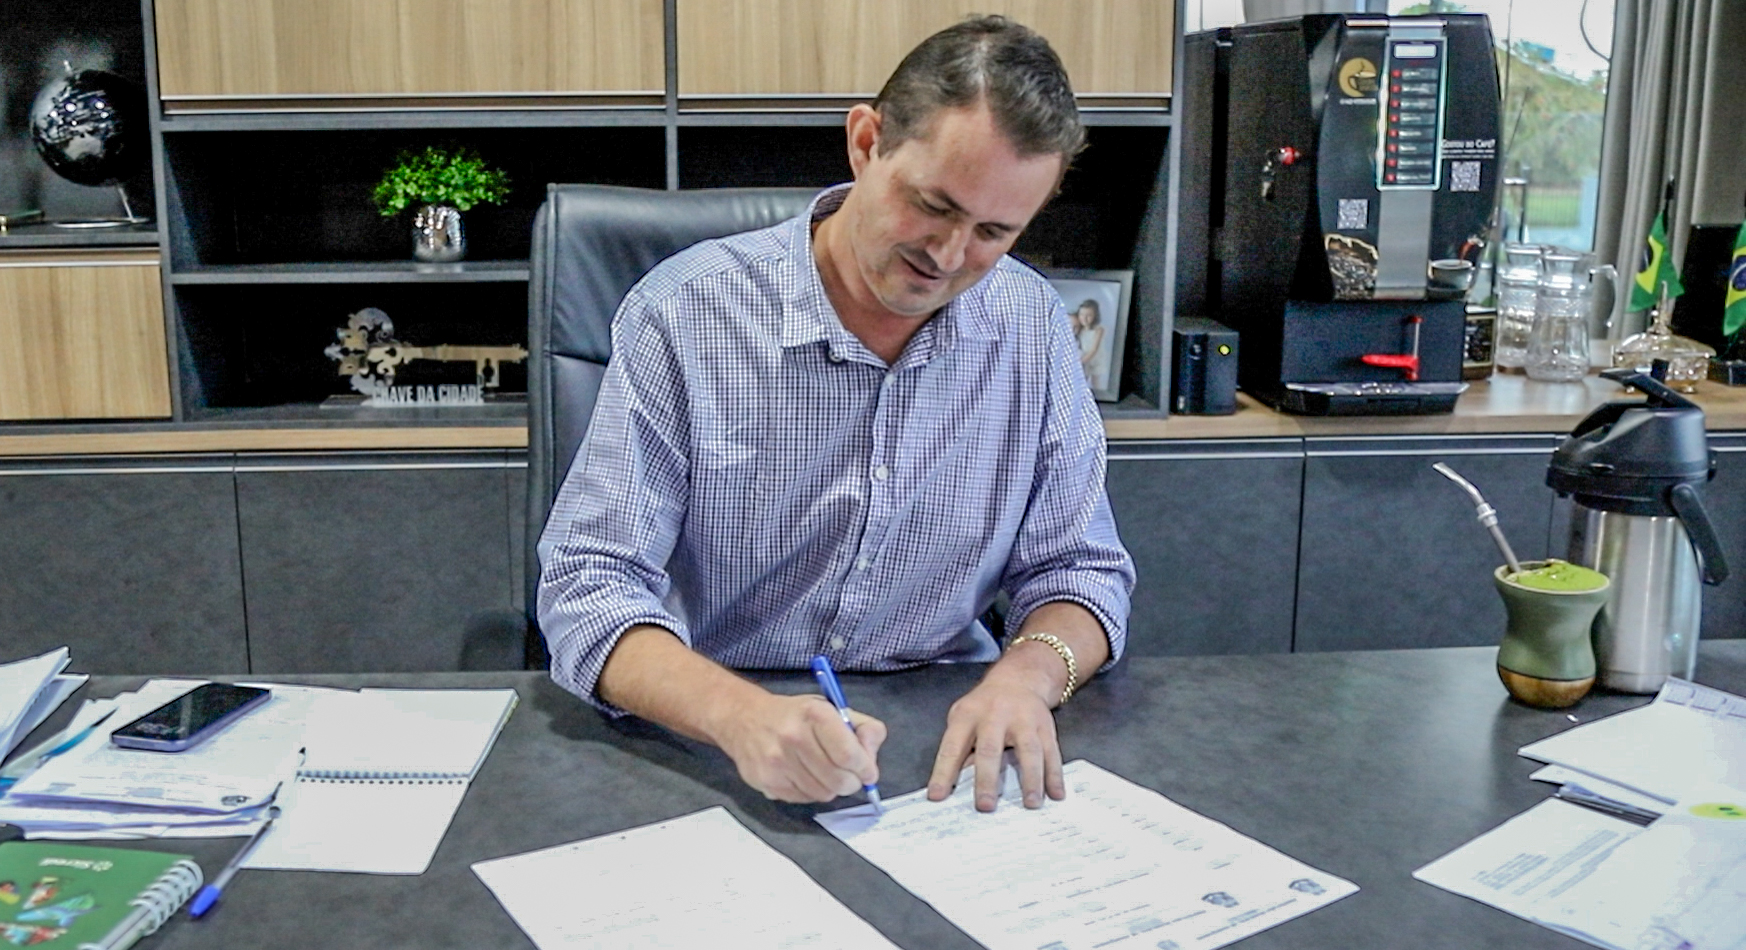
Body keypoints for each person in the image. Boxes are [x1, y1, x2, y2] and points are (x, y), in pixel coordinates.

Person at [538, 15, 1135, 814]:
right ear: (866, 143)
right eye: (932, 205)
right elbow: (590, 584)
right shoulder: (686, 315)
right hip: (711, 730)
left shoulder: (1031, 327)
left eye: (994, 232)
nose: (948, 256)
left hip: (942, 736)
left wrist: (1026, 678)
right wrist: (738, 717)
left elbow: (1080, 570)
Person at [1073, 298, 1106, 391]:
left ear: (1095, 316)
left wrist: (1081, 361)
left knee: (1095, 381)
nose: (1084, 318)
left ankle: (1099, 395)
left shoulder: (1099, 330)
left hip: (1095, 359)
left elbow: (1094, 349)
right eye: (1082, 315)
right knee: (1083, 380)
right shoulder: (1079, 329)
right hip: (1084, 358)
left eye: (1089, 315)